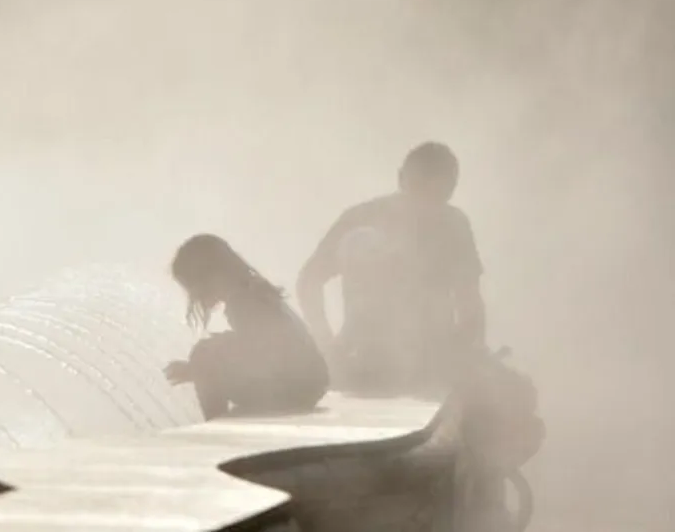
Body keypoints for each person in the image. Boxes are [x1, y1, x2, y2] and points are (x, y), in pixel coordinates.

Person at [295, 141, 487, 396]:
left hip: (433, 367)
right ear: (401, 180)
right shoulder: (361, 220)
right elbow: (310, 280)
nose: (425, 205)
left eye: (437, 195)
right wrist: (326, 345)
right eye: (421, 189)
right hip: (362, 361)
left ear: (451, 189)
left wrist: (468, 357)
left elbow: (470, 302)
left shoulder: (454, 226)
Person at [164, 234, 329, 419]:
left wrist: (197, 370)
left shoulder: (243, 301)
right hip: (310, 384)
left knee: (203, 355)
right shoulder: (253, 290)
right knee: (212, 351)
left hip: (297, 389)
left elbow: (268, 351)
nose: (192, 295)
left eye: (191, 286)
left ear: (211, 276)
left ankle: (217, 426)